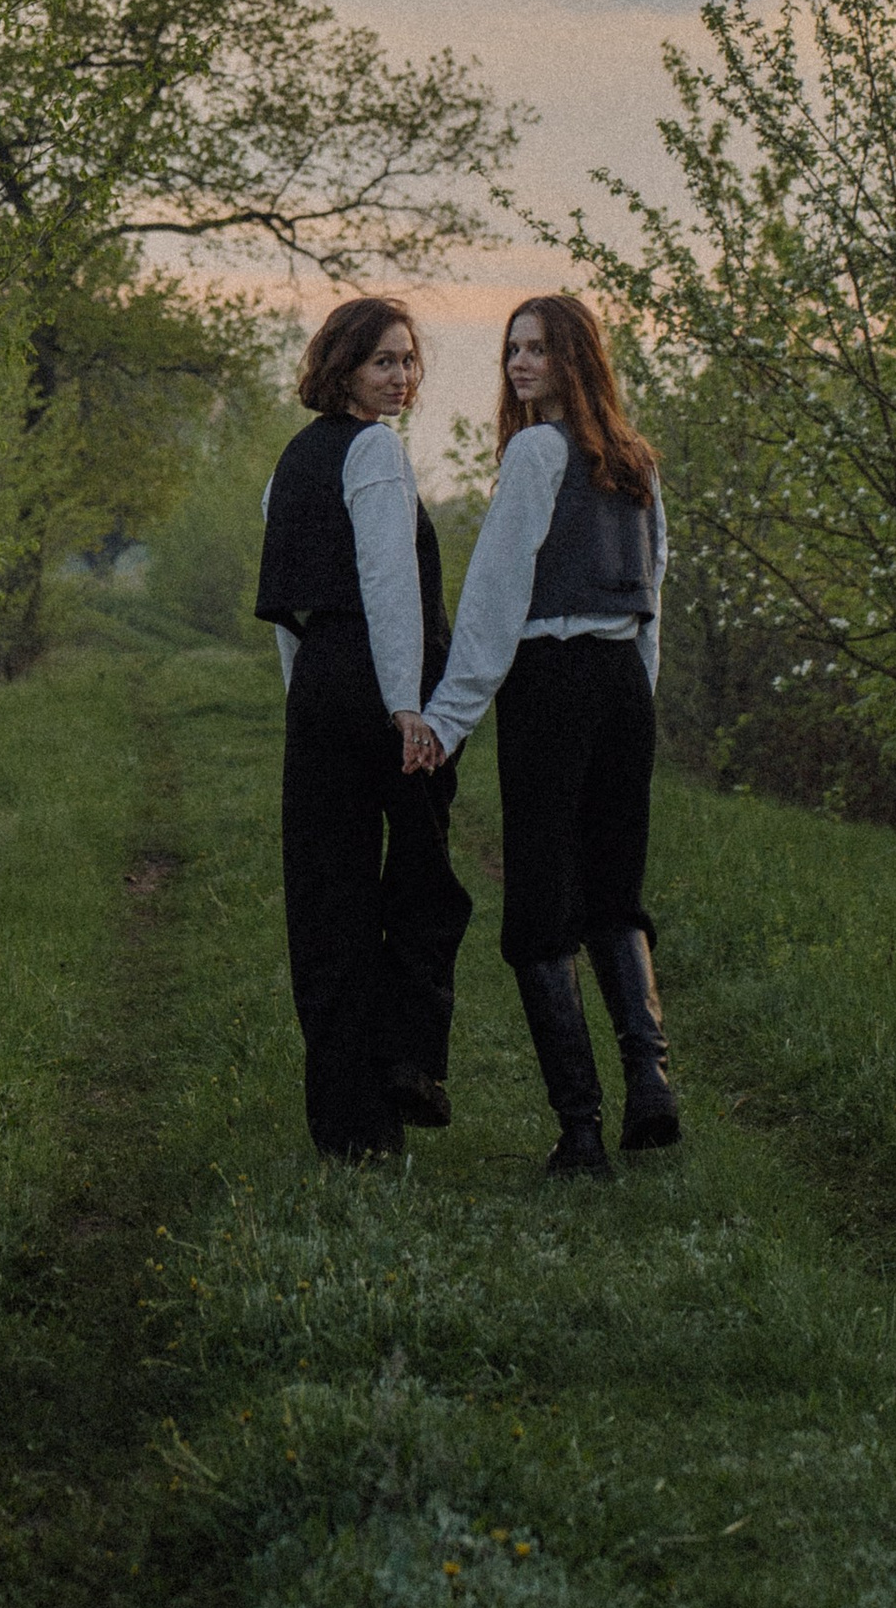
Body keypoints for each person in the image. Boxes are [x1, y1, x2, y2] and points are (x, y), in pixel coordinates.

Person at [406, 292, 678, 1174]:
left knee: (539, 908)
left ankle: (583, 1129)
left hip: (554, 686)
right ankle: (651, 1086)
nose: (520, 364)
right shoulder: (636, 461)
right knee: (614, 890)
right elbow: (651, 596)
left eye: (538, 349)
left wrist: (448, 720)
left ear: (575, 359)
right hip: (623, 688)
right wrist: (637, 699)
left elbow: (494, 598)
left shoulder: (535, 452)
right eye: (512, 349)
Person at [255, 296, 473, 1161]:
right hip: (385, 684)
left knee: (327, 901)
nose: (402, 377)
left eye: (409, 361)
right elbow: (389, 584)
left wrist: (303, 695)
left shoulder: (291, 462)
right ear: (342, 367)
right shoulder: (375, 451)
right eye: (384, 360)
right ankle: (405, 1064)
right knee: (425, 884)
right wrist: (404, 705)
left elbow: (288, 609)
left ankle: (348, 1130)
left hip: (319, 684)